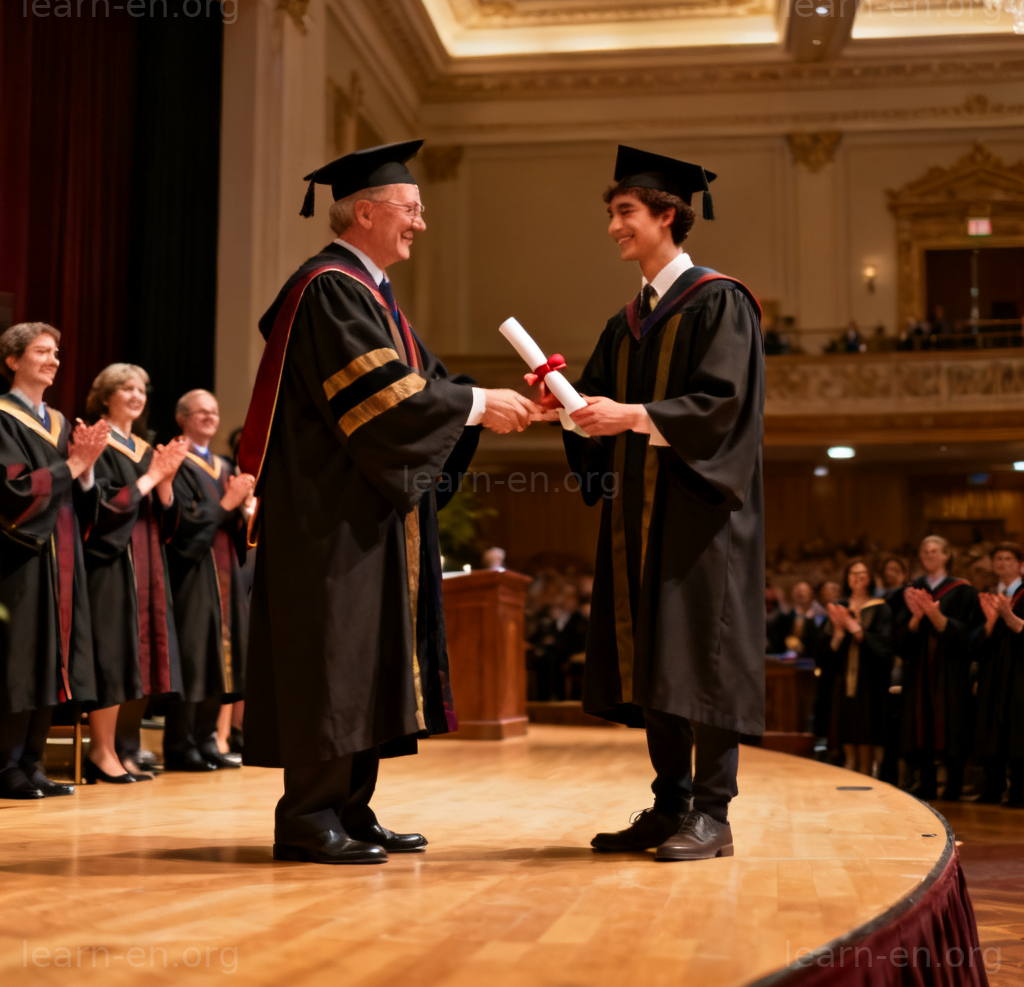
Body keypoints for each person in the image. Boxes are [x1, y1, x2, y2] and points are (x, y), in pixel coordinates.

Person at [238, 140, 539, 864]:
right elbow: (385, 398)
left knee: (366, 657)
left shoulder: (372, 296)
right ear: (365, 212)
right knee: (333, 658)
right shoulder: (330, 288)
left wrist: (511, 405)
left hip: (365, 514)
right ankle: (309, 817)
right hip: (327, 519)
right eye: (411, 209)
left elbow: (430, 382)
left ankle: (351, 807)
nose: (421, 223)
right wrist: (475, 404)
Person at [541, 145, 765, 861]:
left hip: (700, 517)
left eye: (625, 213)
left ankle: (714, 813)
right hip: (636, 519)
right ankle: (670, 805)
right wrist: (566, 408)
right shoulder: (627, 320)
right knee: (657, 659)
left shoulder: (720, 302)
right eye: (613, 214)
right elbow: (600, 418)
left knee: (701, 654)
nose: (614, 227)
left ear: (667, 216)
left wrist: (633, 416)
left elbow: (723, 408)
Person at [0, 323, 108, 799]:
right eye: (42, 351)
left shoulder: (63, 422)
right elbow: (12, 490)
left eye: (57, 353)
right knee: (20, 658)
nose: (53, 360)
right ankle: (5, 767)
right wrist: (75, 467)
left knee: (53, 657)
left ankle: (34, 762)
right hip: (20, 556)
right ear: (12, 360)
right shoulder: (2, 418)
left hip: (63, 553)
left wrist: (86, 473)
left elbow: (84, 494)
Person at [79, 364, 188, 784]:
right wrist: (151, 478)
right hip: (110, 562)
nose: (136, 395)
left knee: (143, 657)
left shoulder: (145, 447)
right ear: (106, 396)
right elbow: (97, 508)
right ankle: (100, 751)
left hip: (146, 561)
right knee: (113, 654)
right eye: (126, 388)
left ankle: (125, 747)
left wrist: (165, 482)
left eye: (141, 389)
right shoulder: (96, 440)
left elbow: (167, 515)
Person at [163, 390, 254, 772]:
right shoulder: (176, 461)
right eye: (200, 412)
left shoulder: (222, 464)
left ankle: (208, 741)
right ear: (181, 418)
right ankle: (182, 746)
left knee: (222, 658)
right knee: (195, 657)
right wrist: (228, 504)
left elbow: (226, 521)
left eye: (214, 412)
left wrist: (244, 513)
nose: (209, 417)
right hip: (193, 572)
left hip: (225, 569)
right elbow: (182, 523)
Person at [894, 535, 982, 800]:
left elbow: (969, 637)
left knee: (952, 723)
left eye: (935, 551)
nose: (929, 555)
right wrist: (916, 618)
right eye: (925, 551)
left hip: (950, 671)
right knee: (920, 722)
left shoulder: (964, 591)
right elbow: (899, 640)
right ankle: (925, 784)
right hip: (918, 670)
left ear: (946, 555)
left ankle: (953, 785)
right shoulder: (911, 590)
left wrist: (936, 617)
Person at [816, 559, 894, 776]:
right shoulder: (839, 607)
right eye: (852, 573)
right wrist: (840, 634)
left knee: (867, 722)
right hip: (843, 677)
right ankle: (849, 764)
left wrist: (856, 630)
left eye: (862, 573)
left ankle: (868, 768)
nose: (857, 577)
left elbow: (884, 647)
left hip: (870, 678)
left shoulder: (880, 607)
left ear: (870, 578)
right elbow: (824, 652)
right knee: (846, 720)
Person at [974, 542, 1024, 806]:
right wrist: (992, 622)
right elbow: (976, 644)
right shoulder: (988, 594)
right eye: (998, 559)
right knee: (991, 726)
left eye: (1008, 558)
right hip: (993, 672)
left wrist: (1009, 616)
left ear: (1019, 564)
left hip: (1019, 673)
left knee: (1018, 730)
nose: (1002, 563)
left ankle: (1018, 791)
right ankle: (992, 788)